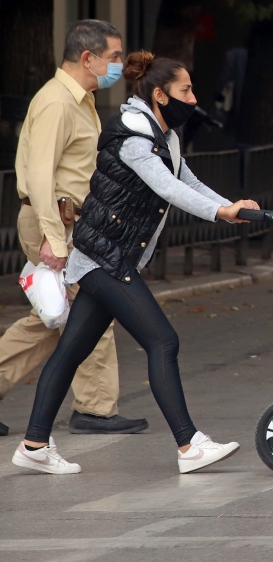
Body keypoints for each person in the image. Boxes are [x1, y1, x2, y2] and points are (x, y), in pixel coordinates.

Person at [13, 52, 258, 476]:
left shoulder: (165, 134)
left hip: (109, 255)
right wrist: (222, 213)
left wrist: (233, 207)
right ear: (160, 95)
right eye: (185, 91)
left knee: (71, 350)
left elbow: (187, 179)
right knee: (163, 341)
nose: (194, 98)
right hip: (105, 258)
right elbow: (168, 188)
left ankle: (34, 443)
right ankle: (189, 444)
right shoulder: (132, 136)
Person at [0, 20, 147, 438]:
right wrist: (53, 238)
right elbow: (40, 174)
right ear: (88, 57)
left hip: (71, 223)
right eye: (115, 57)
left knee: (56, 317)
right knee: (89, 309)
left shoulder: (79, 101)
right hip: (56, 223)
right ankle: (95, 410)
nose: (119, 64)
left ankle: (96, 408)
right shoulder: (57, 104)